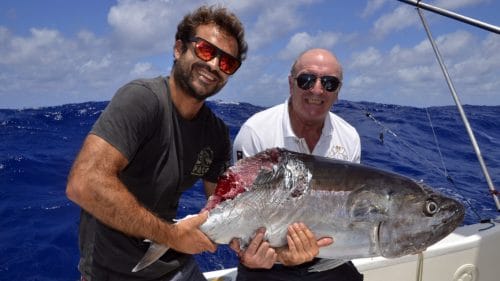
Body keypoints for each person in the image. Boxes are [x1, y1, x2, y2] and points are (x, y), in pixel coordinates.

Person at [65, 5, 247, 281]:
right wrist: (172, 236)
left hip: (175, 265)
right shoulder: (141, 99)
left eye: (227, 63)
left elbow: (222, 204)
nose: (213, 65)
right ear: (178, 48)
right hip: (113, 273)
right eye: (206, 50)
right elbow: (83, 183)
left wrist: (253, 241)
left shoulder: (216, 133)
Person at [232, 48, 363, 281]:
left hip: (326, 256)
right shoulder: (256, 132)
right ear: (291, 84)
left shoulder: (349, 137)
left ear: (338, 92)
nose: (317, 89)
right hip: (267, 260)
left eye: (329, 83)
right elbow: (237, 214)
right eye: (307, 80)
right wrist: (279, 255)